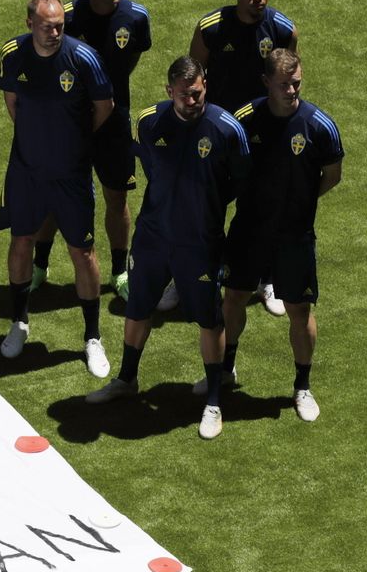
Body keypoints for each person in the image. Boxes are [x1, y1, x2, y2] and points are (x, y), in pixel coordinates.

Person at [86, 56, 249, 440]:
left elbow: (242, 184)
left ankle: (213, 400)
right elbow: (152, 169)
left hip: (200, 242)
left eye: (198, 93)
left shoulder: (227, 129)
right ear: (169, 91)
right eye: (185, 94)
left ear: (205, 85)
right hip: (154, 238)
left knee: (208, 319)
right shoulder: (149, 122)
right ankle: (127, 379)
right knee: (138, 307)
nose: (193, 100)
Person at [0, 0, 114, 378]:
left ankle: (92, 336)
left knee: (83, 251)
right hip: (26, 173)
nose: (55, 31)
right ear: (30, 23)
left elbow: (104, 107)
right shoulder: (13, 54)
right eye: (47, 25)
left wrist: (72, 142)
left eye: (59, 24)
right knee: (21, 241)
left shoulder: (83, 58)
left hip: (71, 175)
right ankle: (19, 321)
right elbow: (12, 103)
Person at [221, 49, 342, 421]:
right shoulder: (245, 119)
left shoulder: (319, 125)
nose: (292, 90)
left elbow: (332, 175)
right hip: (249, 229)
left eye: (296, 83)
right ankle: (226, 369)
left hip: (294, 235)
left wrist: (301, 202)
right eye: (284, 84)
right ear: (266, 83)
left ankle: (302, 387)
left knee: (298, 308)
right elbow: (228, 166)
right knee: (234, 296)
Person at [38, 0, 153, 298]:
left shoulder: (136, 17)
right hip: (71, 123)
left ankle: (120, 272)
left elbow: (129, 60)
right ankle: (38, 268)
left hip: (115, 123)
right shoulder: (69, 17)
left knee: (116, 198)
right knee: (56, 197)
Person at [188, 0, 297, 317]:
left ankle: (268, 278)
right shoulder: (211, 28)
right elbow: (194, 78)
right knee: (208, 206)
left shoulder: (281, 29)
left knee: (264, 209)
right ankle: (195, 273)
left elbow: (289, 78)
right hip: (219, 134)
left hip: (265, 135)